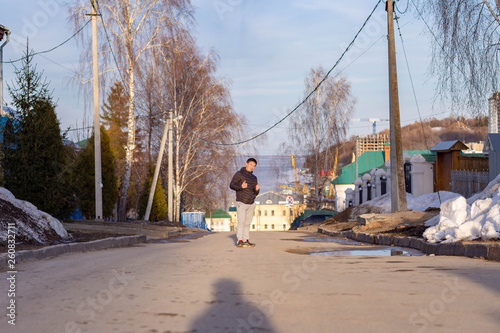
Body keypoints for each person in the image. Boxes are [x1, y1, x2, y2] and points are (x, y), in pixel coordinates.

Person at [230, 158, 260, 247]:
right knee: (241, 222)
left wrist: (257, 190)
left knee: (247, 223)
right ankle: (240, 240)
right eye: (251, 165)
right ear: (247, 164)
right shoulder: (239, 174)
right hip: (241, 202)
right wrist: (241, 186)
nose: (252, 167)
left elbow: (255, 193)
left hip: (251, 203)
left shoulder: (254, 178)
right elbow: (231, 185)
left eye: (254, 166)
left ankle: (246, 240)